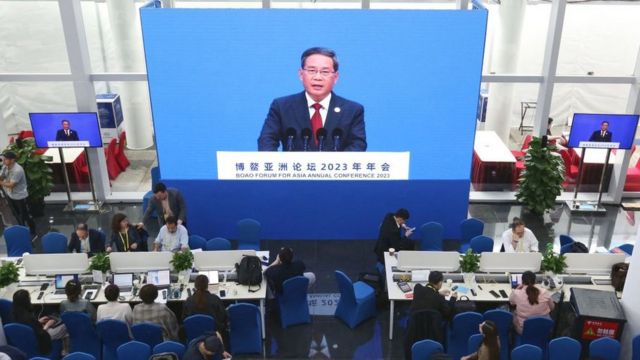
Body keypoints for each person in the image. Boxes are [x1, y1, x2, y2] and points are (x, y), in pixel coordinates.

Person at [258, 47, 366, 152]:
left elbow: (357, 145)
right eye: (312, 70)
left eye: (325, 72)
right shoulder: (282, 107)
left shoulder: (352, 110)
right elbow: (266, 142)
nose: (317, 77)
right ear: (301, 74)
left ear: (336, 77)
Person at [0, 151, 37, 237]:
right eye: (4, 159)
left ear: (12, 160)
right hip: (11, 195)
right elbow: (2, 176)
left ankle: (33, 232)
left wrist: (1, 183)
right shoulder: (5, 166)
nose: (4, 160)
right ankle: (22, 231)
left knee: (25, 215)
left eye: (6, 159)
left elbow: (11, 185)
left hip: (20, 197)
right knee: (15, 214)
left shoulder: (17, 170)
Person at [183, 275, 228, 342]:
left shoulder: (189, 300)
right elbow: (223, 317)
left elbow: (184, 319)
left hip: (193, 335)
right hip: (213, 335)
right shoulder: (215, 299)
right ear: (207, 285)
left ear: (195, 286)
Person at [12, 289, 55, 354]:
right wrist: (47, 325)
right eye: (29, 297)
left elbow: (28, 326)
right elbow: (41, 334)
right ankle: (65, 351)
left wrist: (38, 321)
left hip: (23, 340)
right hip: (38, 340)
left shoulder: (14, 313)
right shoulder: (29, 317)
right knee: (63, 327)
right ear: (26, 301)